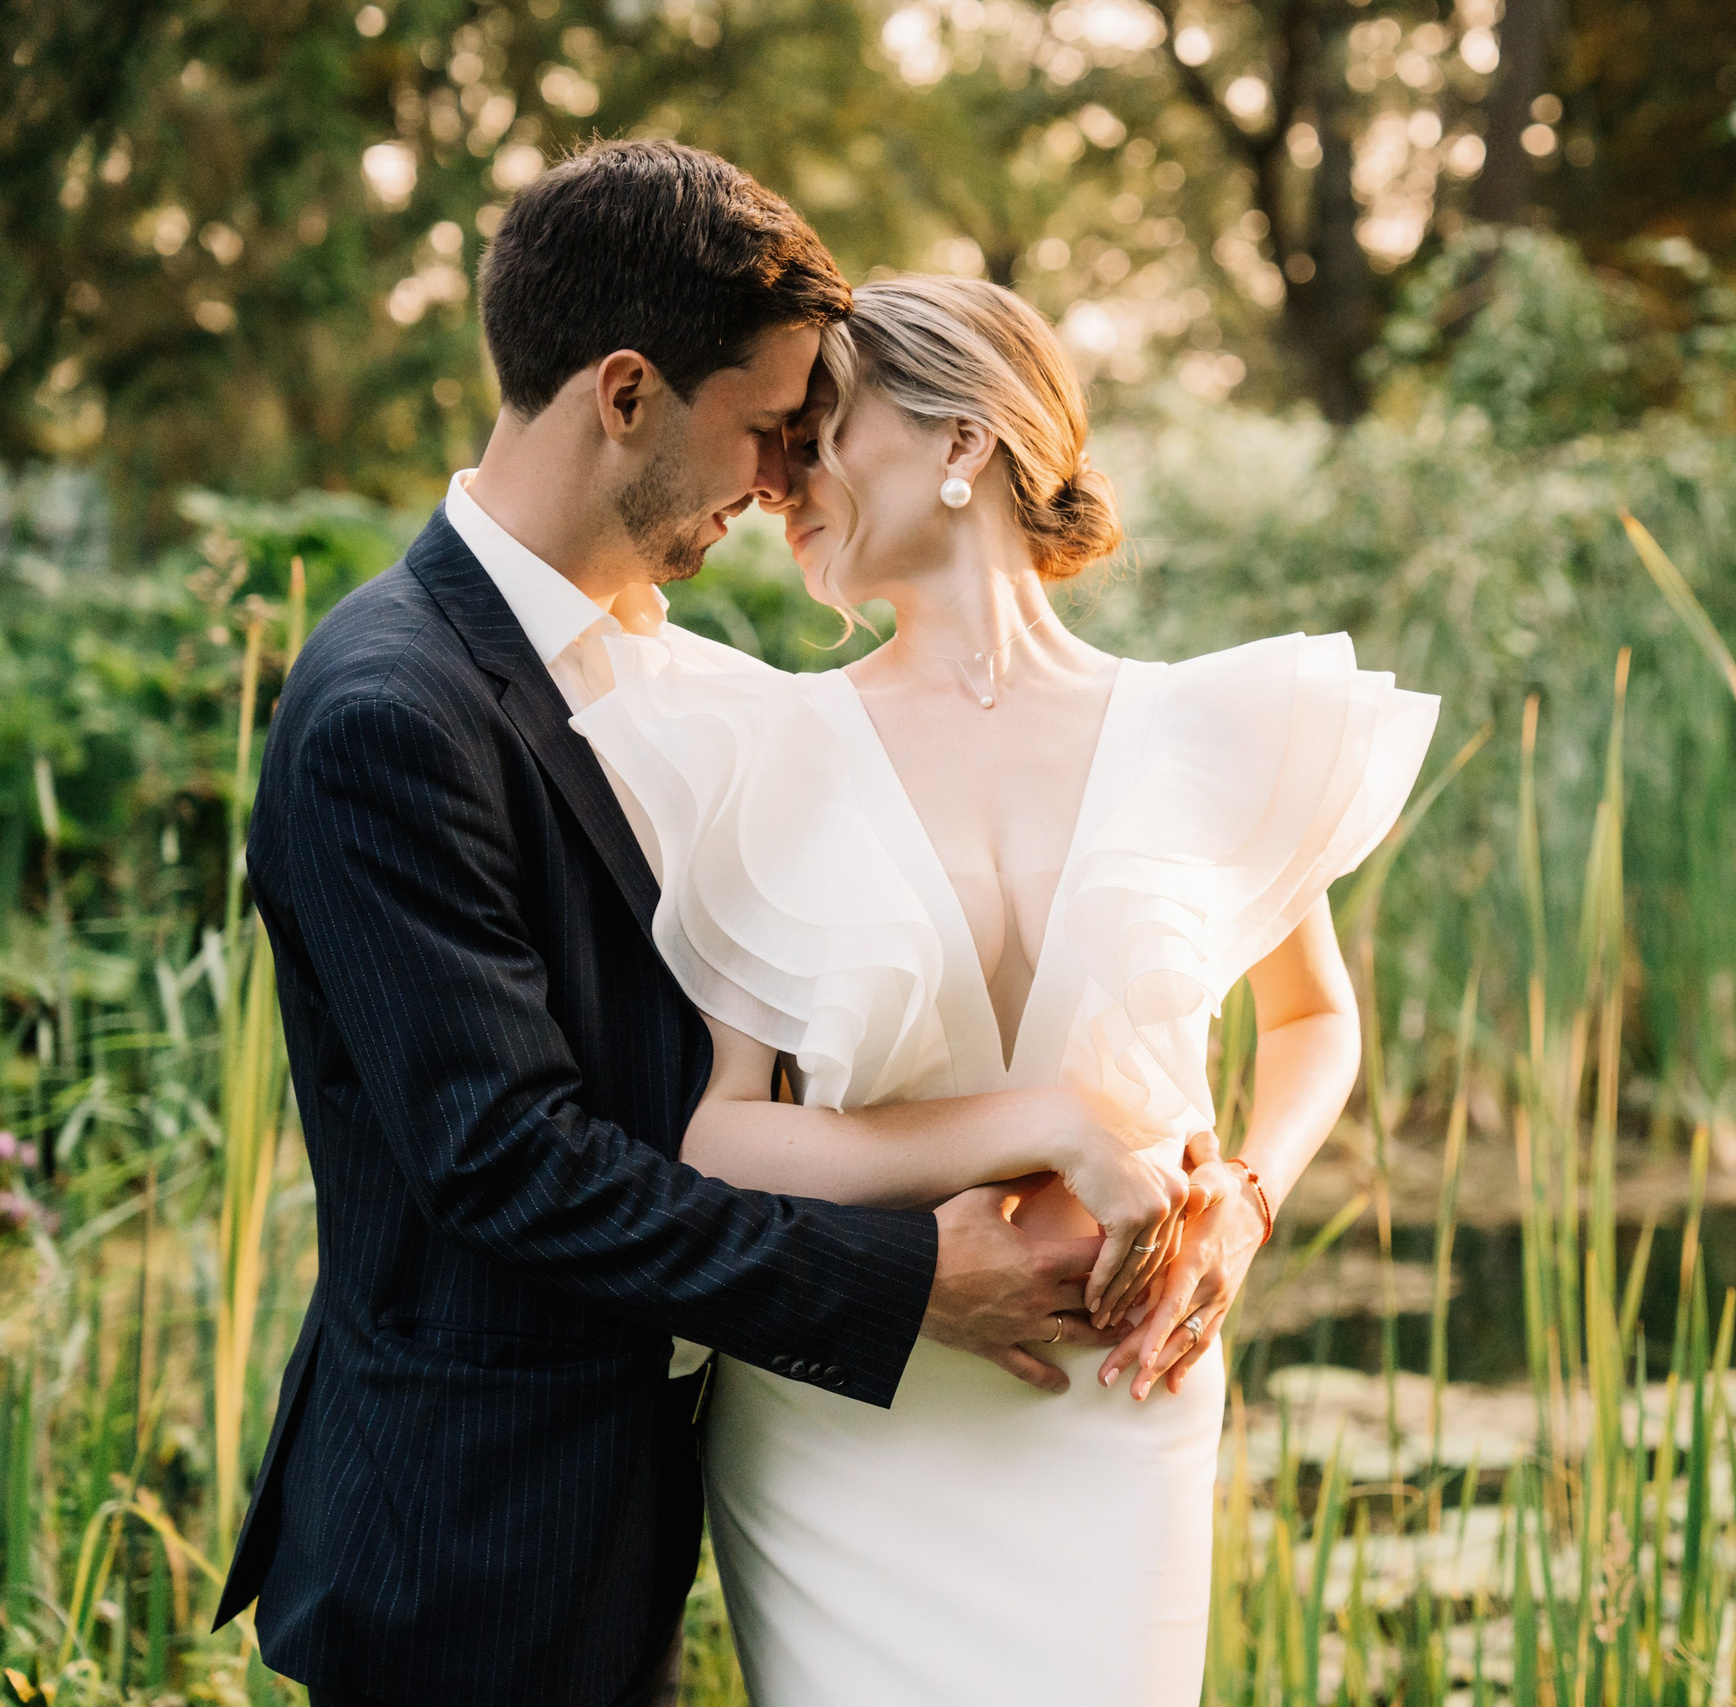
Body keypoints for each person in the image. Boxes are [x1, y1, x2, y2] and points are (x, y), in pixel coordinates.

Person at [214, 141, 1190, 1707]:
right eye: (761, 429)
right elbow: (508, 1162)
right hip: (470, 1532)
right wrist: (904, 1279)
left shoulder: (677, 681)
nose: (781, 479)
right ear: (623, 397)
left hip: (646, 1495)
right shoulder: (390, 711)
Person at [569, 273, 1439, 1702]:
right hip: (853, 1414)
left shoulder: (1213, 729)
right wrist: (1049, 1120)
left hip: (1122, 1398)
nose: (782, 479)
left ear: (963, 439)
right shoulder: (760, 747)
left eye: (823, 427)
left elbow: (1313, 1019)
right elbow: (725, 1136)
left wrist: (1252, 1198)